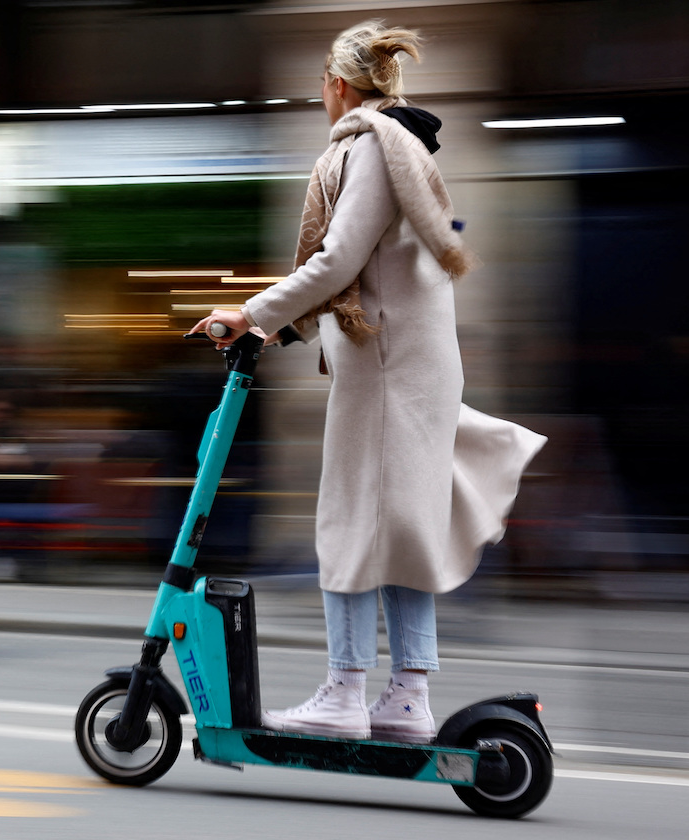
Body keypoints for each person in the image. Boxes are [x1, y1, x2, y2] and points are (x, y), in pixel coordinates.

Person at [191, 20, 546, 743]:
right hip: (406, 365)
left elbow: (338, 262)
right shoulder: (403, 146)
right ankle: (407, 696)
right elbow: (365, 270)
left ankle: (346, 690)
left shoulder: (369, 148)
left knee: (348, 524)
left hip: (386, 371)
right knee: (403, 530)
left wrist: (249, 311)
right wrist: (278, 328)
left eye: (321, 84)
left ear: (336, 84)